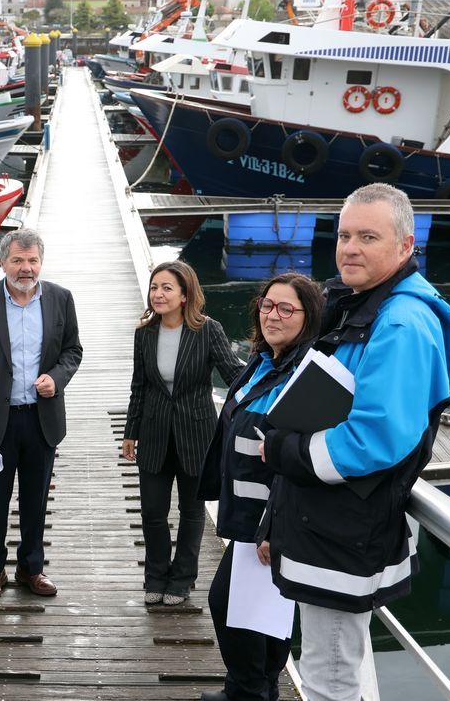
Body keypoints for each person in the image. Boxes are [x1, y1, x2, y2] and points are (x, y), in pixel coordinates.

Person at [258, 184, 450, 701]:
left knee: (329, 678)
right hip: (323, 526)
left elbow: (375, 438)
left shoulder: (400, 323)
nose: (350, 248)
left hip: (343, 534)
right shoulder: (362, 305)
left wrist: (284, 451)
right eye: (344, 235)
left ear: (406, 245)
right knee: (325, 667)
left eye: (368, 237)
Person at [200, 272, 324, 701]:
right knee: (262, 611)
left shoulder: (306, 374)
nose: (273, 315)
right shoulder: (264, 361)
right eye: (267, 305)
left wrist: (274, 527)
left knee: (229, 604)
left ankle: (248, 690)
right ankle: (259, 687)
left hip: (272, 518)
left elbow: (299, 456)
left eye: (287, 308)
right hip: (248, 514)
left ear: (309, 317)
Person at [0, 229, 82, 599]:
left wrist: (56, 378)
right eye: (17, 261)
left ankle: (31, 568)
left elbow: (72, 350)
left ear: (40, 262)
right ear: (2, 262)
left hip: (41, 419)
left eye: (32, 261)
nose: (26, 268)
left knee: (35, 500)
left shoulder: (60, 298)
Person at [122, 260, 244, 606]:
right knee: (152, 512)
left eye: (166, 288)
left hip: (197, 435)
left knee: (191, 512)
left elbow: (233, 375)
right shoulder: (145, 333)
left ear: (185, 294)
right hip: (154, 433)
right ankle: (155, 576)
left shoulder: (208, 330)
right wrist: (131, 432)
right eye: (154, 287)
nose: (158, 294)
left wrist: (269, 380)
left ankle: (182, 579)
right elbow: (139, 387)